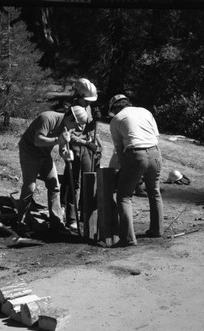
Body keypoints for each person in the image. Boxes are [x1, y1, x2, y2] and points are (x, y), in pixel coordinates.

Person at [16, 105, 89, 235]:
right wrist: (58, 139)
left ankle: (56, 223)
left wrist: (65, 154)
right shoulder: (47, 118)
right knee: (30, 187)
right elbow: (38, 140)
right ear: (70, 117)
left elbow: (62, 147)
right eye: (75, 125)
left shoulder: (68, 127)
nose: (74, 129)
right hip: (29, 152)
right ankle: (22, 223)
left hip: (44, 155)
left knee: (54, 186)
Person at [108, 94, 164, 246]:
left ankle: (127, 238)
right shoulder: (145, 112)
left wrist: (124, 169)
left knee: (124, 197)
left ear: (114, 108)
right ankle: (157, 230)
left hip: (135, 154)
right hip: (155, 153)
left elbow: (119, 150)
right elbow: (155, 136)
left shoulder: (116, 119)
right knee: (154, 192)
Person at [61, 78, 103, 230]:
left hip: (88, 147)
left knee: (89, 180)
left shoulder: (88, 107)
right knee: (74, 183)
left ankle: (86, 214)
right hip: (75, 148)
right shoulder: (71, 111)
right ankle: (72, 218)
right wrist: (86, 143)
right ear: (79, 95)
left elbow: (89, 129)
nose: (89, 103)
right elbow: (68, 135)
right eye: (86, 101)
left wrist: (97, 142)